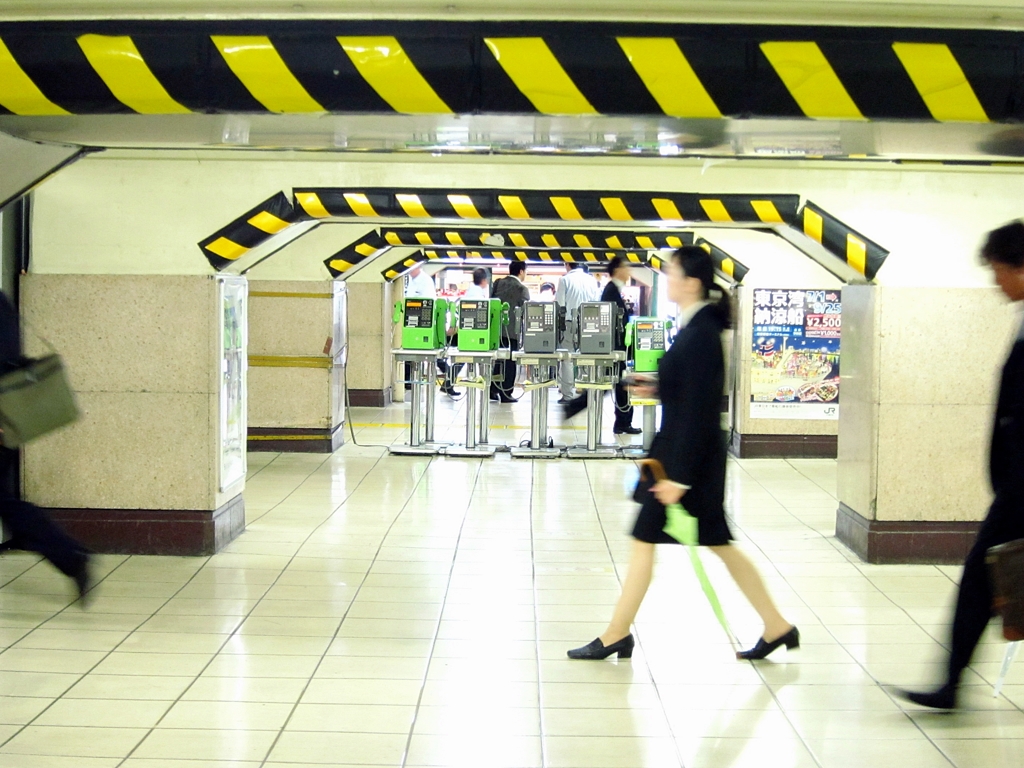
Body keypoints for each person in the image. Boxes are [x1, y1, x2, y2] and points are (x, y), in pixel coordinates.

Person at [567, 246, 796, 662]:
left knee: (652, 542)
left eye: (671, 272)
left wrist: (680, 479)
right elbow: (689, 390)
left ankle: (617, 634)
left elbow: (701, 411)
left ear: (692, 282)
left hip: (684, 469)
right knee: (711, 544)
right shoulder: (695, 326)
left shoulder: (703, 334)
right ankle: (776, 625)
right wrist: (654, 384)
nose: (666, 278)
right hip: (682, 463)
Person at [895, 222, 1024, 710]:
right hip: (1014, 488)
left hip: (1020, 491)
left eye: (997, 269)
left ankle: (950, 683)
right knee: (982, 579)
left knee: (978, 578)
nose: (995, 281)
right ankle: (950, 683)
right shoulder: (1021, 316)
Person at [0, 290, 93, 604]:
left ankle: (70, 555)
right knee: (5, 502)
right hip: (7, 418)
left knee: (5, 503)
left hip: (2, 419)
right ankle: (68, 555)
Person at [563, 257, 641, 431]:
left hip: (616, 347)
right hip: (614, 347)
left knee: (615, 385)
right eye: (626, 268)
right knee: (610, 385)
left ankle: (621, 422)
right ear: (617, 270)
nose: (629, 271)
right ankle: (620, 421)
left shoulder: (614, 289)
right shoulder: (611, 290)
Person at [404, 266, 460, 399]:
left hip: (426, 322)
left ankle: (448, 375)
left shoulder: (425, 281)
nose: (409, 272)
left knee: (432, 352)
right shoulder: (411, 281)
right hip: (411, 323)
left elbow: (430, 304)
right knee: (411, 351)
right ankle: (409, 379)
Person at [555, 263, 600, 403]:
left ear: (567, 265)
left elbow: (559, 305)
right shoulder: (591, 280)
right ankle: (587, 393)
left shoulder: (565, 280)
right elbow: (597, 302)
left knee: (567, 358)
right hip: (590, 323)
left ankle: (568, 395)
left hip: (569, 323)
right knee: (587, 358)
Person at [490, 262, 529, 403]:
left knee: (499, 360)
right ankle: (506, 393)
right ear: (521, 271)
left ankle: (493, 390)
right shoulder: (522, 289)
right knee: (510, 363)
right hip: (512, 331)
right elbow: (525, 312)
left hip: (496, 331)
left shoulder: (498, 283)